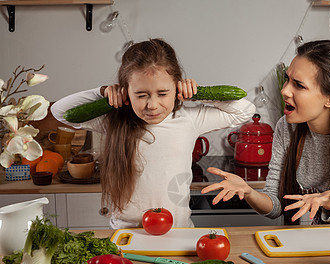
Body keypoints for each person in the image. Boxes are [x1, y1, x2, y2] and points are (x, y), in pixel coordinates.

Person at [51, 38, 256, 229]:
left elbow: (245, 110)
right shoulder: (113, 120)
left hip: (178, 231)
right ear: (126, 92)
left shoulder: (188, 119)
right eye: (141, 95)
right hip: (127, 231)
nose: (152, 105)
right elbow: (60, 112)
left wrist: (198, 93)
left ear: (177, 89)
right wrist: (102, 92)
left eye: (163, 93)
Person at [201, 40, 330, 225]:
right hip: (300, 245)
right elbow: (276, 205)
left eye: (299, 85)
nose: (285, 91)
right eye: (287, 80)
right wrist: (249, 192)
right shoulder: (286, 127)